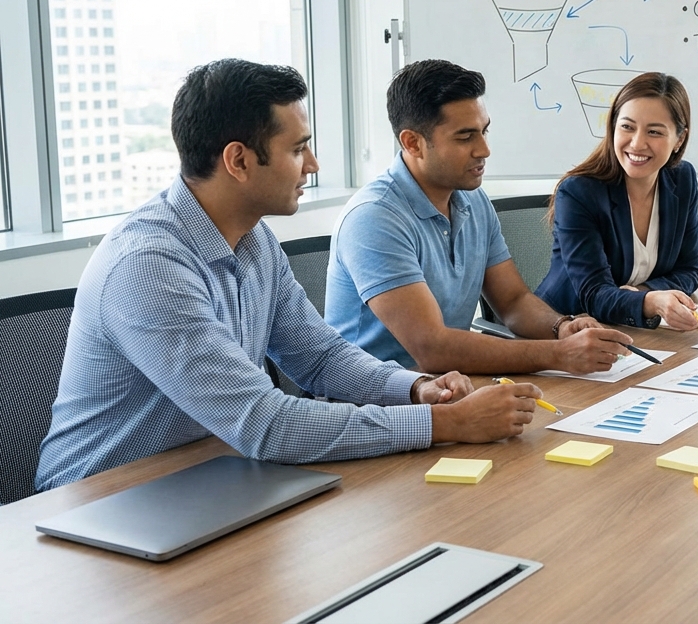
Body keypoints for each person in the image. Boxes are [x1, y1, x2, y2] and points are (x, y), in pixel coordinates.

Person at [35, 59, 541, 492]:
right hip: (103, 496)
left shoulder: (254, 241)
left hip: (210, 472)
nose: (314, 165)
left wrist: (414, 390)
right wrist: (442, 423)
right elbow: (264, 423)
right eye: (298, 149)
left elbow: (320, 358)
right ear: (238, 161)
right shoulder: (147, 267)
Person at [326, 59, 634, 376]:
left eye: (484, 131)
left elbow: (513, 301)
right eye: (465, 137)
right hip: (371, 403)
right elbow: (433, 348)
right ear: (412, 142)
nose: (484, 149)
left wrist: (560, 327)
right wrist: (558, 354)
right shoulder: (374, 218)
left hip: (445, 386)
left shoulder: (473, 200)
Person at [536, 72, 698, 329]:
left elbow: (689, 269)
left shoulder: (682, 179)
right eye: (627, 126)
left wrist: (644, 292)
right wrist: (651, 302)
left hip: (629, 331)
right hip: (565, 329)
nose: (637, 143)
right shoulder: (579, 192)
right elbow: (593, 294)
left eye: (654, 132)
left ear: (679, 139)